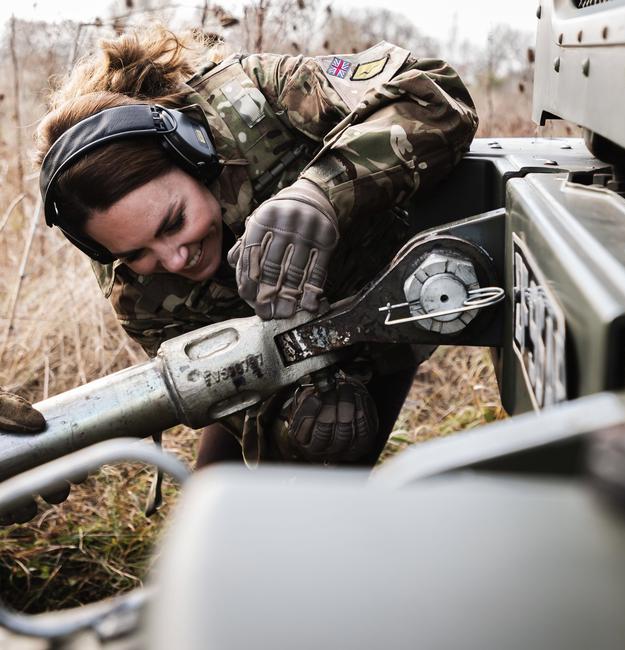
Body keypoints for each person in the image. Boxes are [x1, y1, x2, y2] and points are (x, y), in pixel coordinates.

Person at [35, 26, 478, 467]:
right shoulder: (133, 291)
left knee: (342, 485)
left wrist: (322, 192)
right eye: (136, 253)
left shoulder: (255, 98)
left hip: (390, 305)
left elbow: (435, 96)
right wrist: (293, 419)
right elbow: (226, 395)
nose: (173, 258)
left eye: (175, 221)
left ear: (195, 153)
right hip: (266, 364)